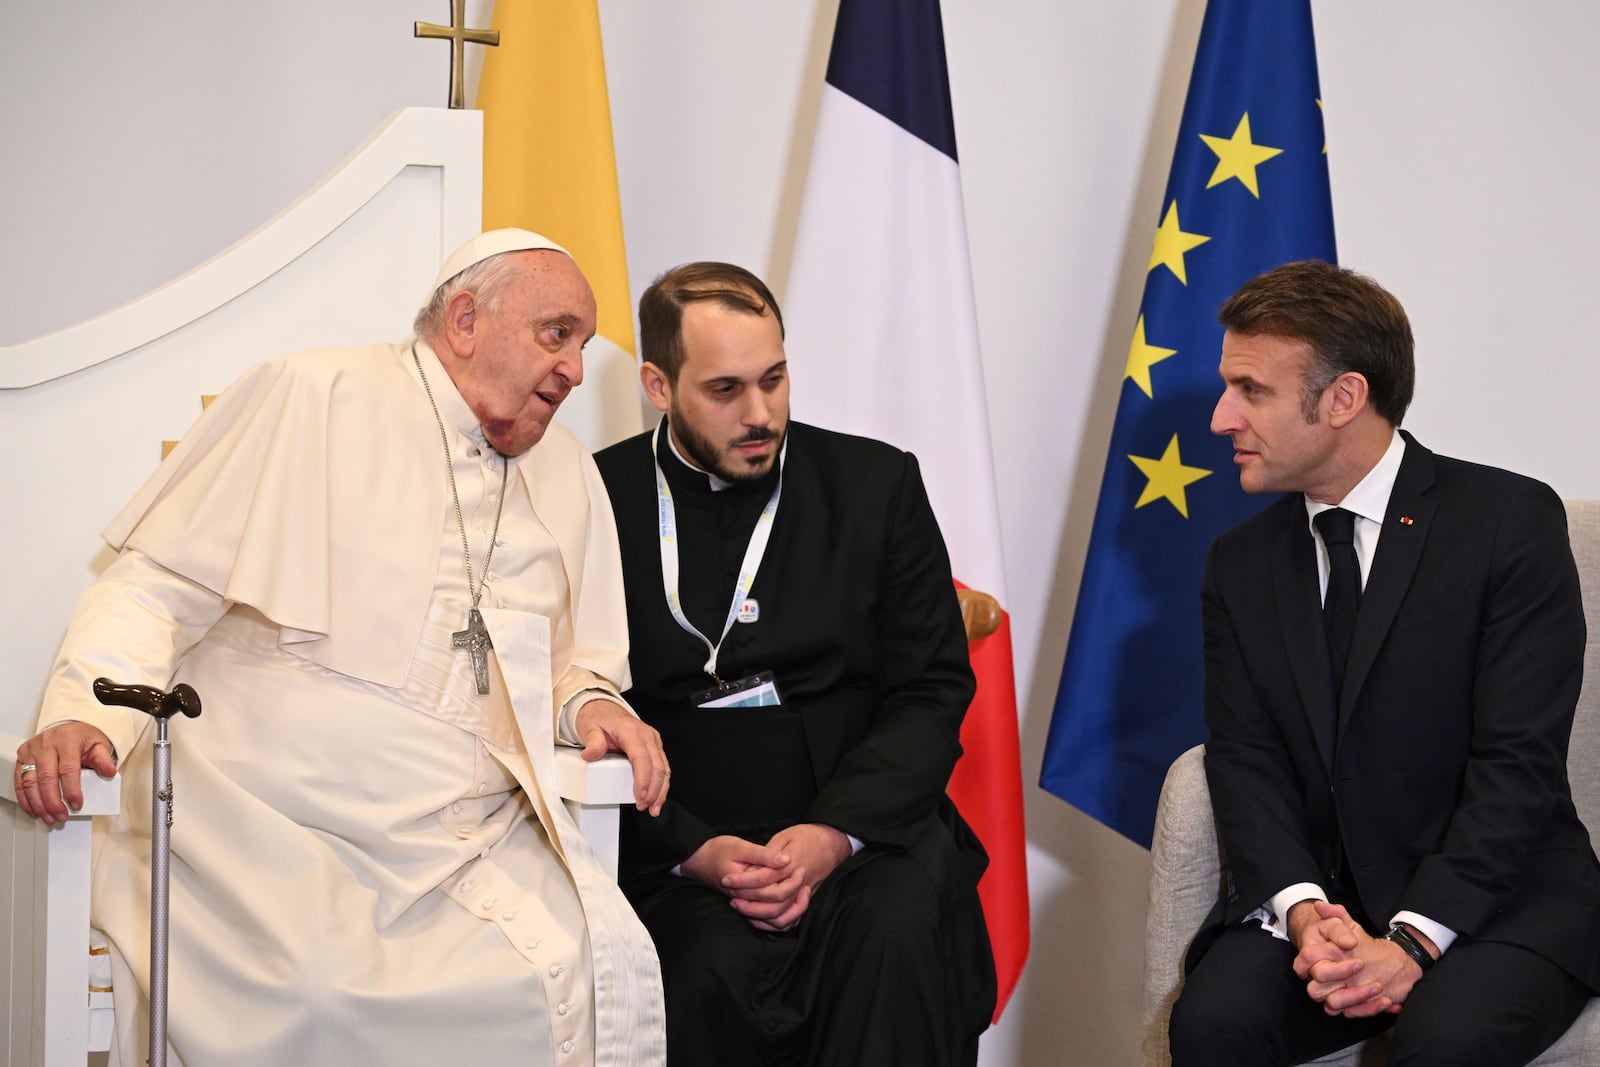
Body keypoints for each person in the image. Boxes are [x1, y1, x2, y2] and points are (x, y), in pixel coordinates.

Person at [12, 230, 670, 1067]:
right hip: (274, 832)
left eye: (581, 345)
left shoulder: (568, 471)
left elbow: (572, 661)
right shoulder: (310, 395)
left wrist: (594, 704)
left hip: (465, 837)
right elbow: (152, 591)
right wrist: (81, 714)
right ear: (465, 319)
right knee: (317, 998)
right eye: (557, 334)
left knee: (575, 973)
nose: (577, 369)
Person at [1169, 260, 1600, 1066]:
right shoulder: (1238, 563)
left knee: (1443, 1040)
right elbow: (1247, 758)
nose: (1222, 416)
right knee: (1211, 1022)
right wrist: (1304, 911)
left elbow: (1518, 765)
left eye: (1250, 389)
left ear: (1343, 398)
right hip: (1329, 906)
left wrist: (1411, 939)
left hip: (1498, 905)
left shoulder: (1507, 522)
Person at [591, 262, 996, 1066]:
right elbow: (580, 702)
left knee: (892, 939)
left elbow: (932, 688)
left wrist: (832, 835)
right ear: (658, 385)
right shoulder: (595, 499)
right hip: (683, 842)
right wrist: (691, 847)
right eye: (725, 389)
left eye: (774, 379)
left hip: (862, 830)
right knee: (697, 970)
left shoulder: (875, 484)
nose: (760, 413)